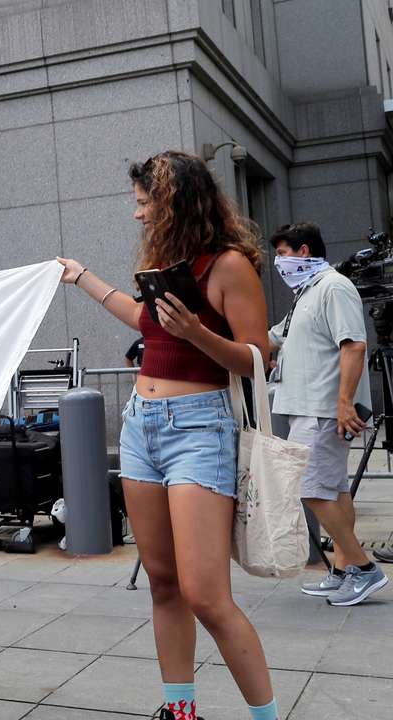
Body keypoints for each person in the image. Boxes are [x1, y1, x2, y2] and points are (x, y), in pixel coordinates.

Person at [57, 150, 279, 720]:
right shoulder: (167, 262)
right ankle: (180, 711)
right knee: (163, 583)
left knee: (206, 593)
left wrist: (198, 333)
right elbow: (143, 321)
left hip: (200, 429)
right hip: (142, 426)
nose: (138, 217)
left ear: (175, 201)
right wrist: (82, 278)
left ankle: (265, 716)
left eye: (144, 204)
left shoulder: (228, 265)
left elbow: (259, 359)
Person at [267, 222, 385, 605]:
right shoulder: (308, 292)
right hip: (312, 408)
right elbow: (272, 337)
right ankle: (343, 567)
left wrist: (344, 402)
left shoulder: (333, 287)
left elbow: (353, 346)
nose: (278, 262)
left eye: (283, 253)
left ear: (303, 252)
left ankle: (365, 570)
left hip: (321, 408)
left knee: (309, 489)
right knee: (333, 489)